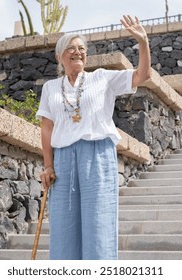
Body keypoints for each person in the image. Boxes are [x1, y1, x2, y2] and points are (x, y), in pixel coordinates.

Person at [36, 15, 151, 260]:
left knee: (98, 225)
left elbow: (142, 76)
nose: (78, 52)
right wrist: (48, 165)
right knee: (63, 227)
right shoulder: (50, 88)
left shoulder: (102, 78)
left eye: (82, 48)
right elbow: (47, 128)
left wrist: (143, 42)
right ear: (60, 56)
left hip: (97, 154)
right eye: (71, 48)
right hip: (63, 160)